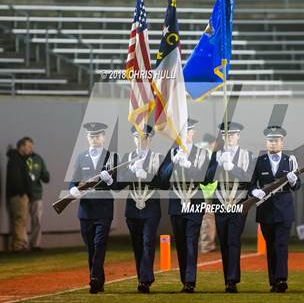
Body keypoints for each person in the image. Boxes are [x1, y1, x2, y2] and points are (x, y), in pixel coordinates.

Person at [68, 122, 118, 294]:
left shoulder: (111, 157)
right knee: (91, 246)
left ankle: (94, 278)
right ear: (87, 138)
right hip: (86, 209)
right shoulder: (81, 157)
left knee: (99, 243)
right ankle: (98, 281)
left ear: (103, 137)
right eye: (91, 136)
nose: (94, 139)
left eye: (97, 135)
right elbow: (74, 180)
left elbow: (118, 184)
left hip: (104, 208)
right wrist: (72, 189)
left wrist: (110, 180)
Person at [249, 126, 301, 293]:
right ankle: (273, 281)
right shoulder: (259, 161)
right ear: (267, 142)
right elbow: (251, 184)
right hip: (265, 210)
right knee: (270, 246)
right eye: (270, 140)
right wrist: (254, 191)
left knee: (281, 245)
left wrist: (293, 181)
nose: (273, 143)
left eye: (276, 140)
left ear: (282, 142)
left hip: (284, 209)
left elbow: (297, 186)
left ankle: (281, 279)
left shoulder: (290, 160)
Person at [160, 118, 208, 293]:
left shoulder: (202, 153)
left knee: (190, 241)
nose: (186, 134)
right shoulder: (172, 153)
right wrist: (173, 163)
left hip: (194, 202)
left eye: (188, 131)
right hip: (176, 203)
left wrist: (187, 165)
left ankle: (190, 281)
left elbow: (204, 178)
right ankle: (185, 279)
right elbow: (162, 181)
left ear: (193, 132)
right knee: (180, 243)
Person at [206, 121, 254, 293]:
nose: (229, 138)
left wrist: (232, 167)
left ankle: (232, 280)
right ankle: (228, 277)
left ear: (238, 136)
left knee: (233, 239)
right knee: (224, 241)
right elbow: (207, 179)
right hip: (220, 203)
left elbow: (249, 178)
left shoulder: (247, 155)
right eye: (226, 135)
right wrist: (218, 163)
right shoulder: (216, 154)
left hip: (238, 203)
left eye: (232, 135)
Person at [116, 125, 164, 293]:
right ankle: (142, 277)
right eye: (136, 137)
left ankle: (145, 280)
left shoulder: (158, 157)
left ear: (150, 139)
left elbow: (164, 184)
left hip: (151, 206)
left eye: (143, 137)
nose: (140, 140)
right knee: (137, 244)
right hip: (132, 207)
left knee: (147, 241)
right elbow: (119, 184)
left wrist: (146, 175)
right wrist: (129, 171)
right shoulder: (127, 157)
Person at [6, 137, 33, 252]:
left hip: (19, 195)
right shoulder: (15, 159)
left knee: (20, 220)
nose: (30, 149)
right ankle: (18, 246)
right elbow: (15, 178)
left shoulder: (19, 159)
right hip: (18, 195)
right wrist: (22, 192)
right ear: (21, 146)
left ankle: (20, 245)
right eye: (29, 146)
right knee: (19, 220)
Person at [25, 137, 50, 251]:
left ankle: (35, 245)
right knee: (22, 221)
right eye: (28, 146)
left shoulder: (37, 159)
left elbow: (45, 175)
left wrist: (45, 175)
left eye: (31, 146)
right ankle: (23, 246)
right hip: (23, 195)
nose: (30, 148)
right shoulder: (21, 159)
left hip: (36, 195)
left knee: (37, 221)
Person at [199, 133, 219, 253]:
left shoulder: (199, 153)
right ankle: (207, 246)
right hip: (208, 192)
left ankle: (204, 244)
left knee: (204, 219)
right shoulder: (209, 154)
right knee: (208, 219)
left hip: (202, 192)